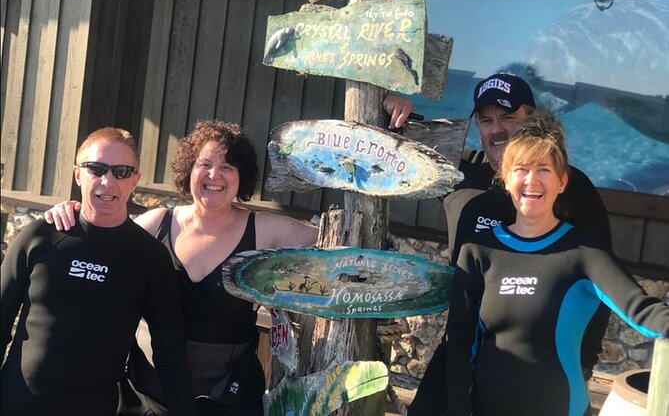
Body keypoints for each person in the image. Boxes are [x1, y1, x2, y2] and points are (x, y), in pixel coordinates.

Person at [45, 120, 318, 416]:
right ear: (190, 169)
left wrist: (278, 281)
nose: (214, 175)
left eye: (228, 166)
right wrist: (70, 212)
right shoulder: (156, 225)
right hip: (148, 398)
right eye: (205, 164)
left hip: (229, 400)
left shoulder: (264, 230)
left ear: (242, 177)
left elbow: (334, 243)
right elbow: (99, 245)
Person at [384, 74, 612, 415]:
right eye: (486, 120)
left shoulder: (567, 186)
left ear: (533, 121)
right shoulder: (456, 174)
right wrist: (389, 104)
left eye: (508, 117)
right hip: (459, 356)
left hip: (537, 365)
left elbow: (602, 285)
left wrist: (583, 365)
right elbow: (380, 145)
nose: (497, 129)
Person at [446, 112, 669, 416]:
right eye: (521, 169)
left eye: (544, 169)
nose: (532, 180)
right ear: (507, 179)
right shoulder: (478, 250)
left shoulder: (584, 252)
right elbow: (459, 341)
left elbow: (643, 310)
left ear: (562, 180)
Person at [1, 128, 195, 416]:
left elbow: (169, 347)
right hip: (17, 404)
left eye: (121, 171)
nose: (108, 181)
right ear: (78, 174)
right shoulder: (40, 236)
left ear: (135, 181)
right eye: (97, 168)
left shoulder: (149, 257)